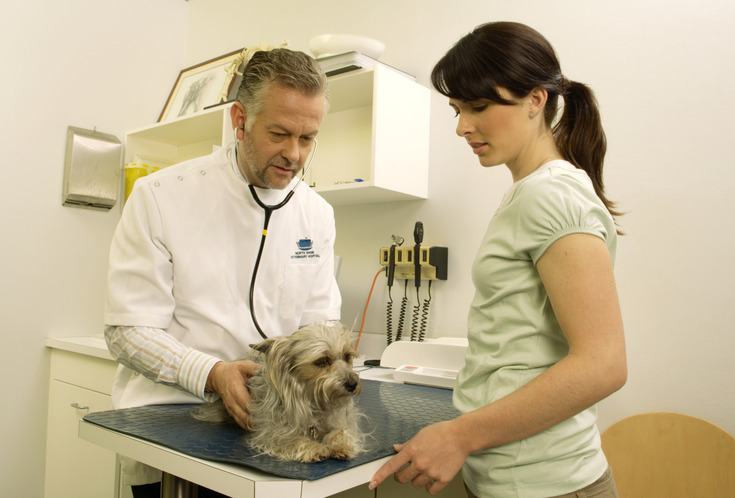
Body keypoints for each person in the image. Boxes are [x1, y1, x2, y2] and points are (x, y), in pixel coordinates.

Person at [370, 22, 627, 497]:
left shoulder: (549, 194)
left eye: (480, 106)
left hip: (546, 482)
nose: (462, 126)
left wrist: (459, 435)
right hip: (513, 475)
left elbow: (604, 363)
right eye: (458, 109)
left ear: (536, 100)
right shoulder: (530, 193)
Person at [104, 48, 341, 496]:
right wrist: (211, 373)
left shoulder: (317, 213)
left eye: (308, 138)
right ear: (239, 119)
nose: (294, 154)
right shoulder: (160, 197)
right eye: (279, 133)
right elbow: (127, 331)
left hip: (277, 426)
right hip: (174, 419)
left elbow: (319, 323)